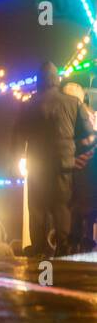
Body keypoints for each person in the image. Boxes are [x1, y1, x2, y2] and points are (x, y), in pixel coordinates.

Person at [13, 62, 95, 256]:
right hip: (63, 165)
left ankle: (38, 249)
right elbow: (90, 136)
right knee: (61, 208)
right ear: (56, 79)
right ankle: (63, 246)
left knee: (37, 210)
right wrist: (77, 155)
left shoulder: (28, 105)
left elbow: (17, 137)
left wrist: (15, 161)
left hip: (37, 166)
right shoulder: (73, 104)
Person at [62, 79, 97, 250]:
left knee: (77, 213)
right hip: (89, 175)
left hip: (81, 175)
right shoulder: (91, 114)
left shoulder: (78, 115)